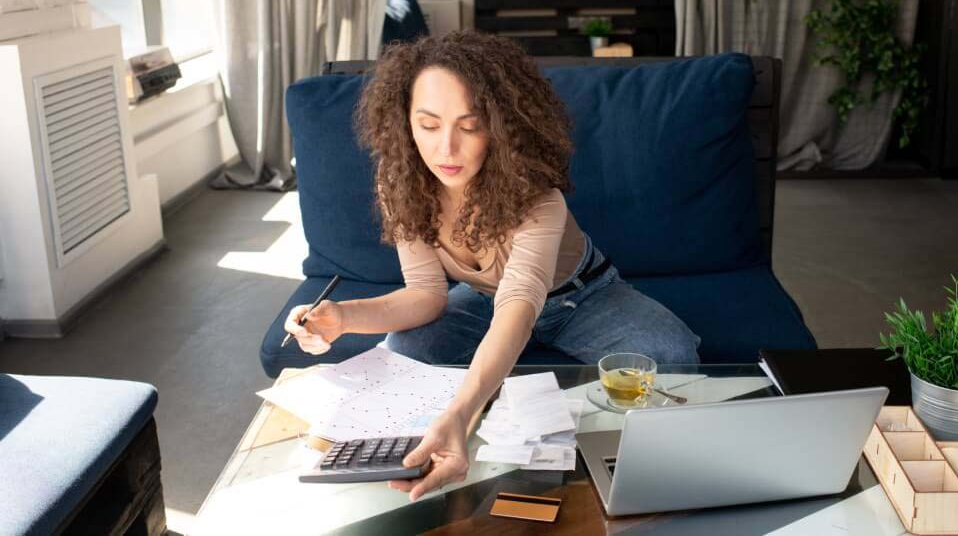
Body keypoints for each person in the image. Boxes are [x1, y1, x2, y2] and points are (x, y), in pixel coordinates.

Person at [284, 30, 700, 501]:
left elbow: (519, 303)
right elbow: (425, 293)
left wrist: (462, 412)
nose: (446, 149)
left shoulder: (538, 193)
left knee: (670, 352)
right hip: (481, 299)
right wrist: (343, 317)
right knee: (401, 350)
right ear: (404, 122)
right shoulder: (397, 178)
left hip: (581, 295)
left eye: (469, 125)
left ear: (501, 125)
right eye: (428, 124)